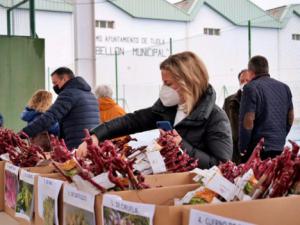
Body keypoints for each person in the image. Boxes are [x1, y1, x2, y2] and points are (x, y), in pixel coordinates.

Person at [78, 51, 233, 168]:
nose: (164, 89)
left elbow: (222, 164)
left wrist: (182, 145)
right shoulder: (167, 109)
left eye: (168, 83)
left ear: (189, 82)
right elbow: (132, 121)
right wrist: (96, 135)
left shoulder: (215, 117)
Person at [21, 67, 100, 149]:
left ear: (64, 79)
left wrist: (23, 133)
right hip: (91, 143)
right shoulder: (91, 95)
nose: (54, 86)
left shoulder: (69, 93)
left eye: (55, 83)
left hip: (76, 145)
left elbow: (50, 117)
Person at [239, 56, 294, 161]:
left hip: (258, 150)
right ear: (267, 69)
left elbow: (247, 121)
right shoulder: (285, 88)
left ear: (250, 72)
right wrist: (280, 137)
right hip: (279, 146)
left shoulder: (250, 88)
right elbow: (290, 117)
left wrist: (243, 149)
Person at [223, 70, 253, 164]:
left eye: (248, 80)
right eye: (242, 81)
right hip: (235, 150)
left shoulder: (258, 99)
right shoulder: (229, 101)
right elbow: (223, 123)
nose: (244, 83)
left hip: (253, 148)